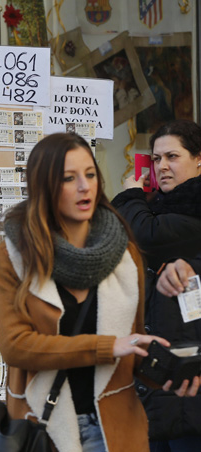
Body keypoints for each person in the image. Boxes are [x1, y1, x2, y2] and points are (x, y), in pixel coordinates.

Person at [0, 133, 199, 452]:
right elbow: (15, 346)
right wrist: (109, 347)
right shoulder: (15, 254)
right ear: (44, 186)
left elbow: (131, 345)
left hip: (116, 426)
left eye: (90, 175)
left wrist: (171, 374)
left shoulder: (124, 251)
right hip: (45, 427)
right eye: (68, 178)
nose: (84, 186)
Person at [110, 120, 201, 450]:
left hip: (188, 379)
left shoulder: (190, 209)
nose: (162, 166)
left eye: (172, 157)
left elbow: (145, 235)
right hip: (157, 376)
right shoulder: (159, 207)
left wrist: (131, 192)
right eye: (157, 158)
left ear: (199, 159)